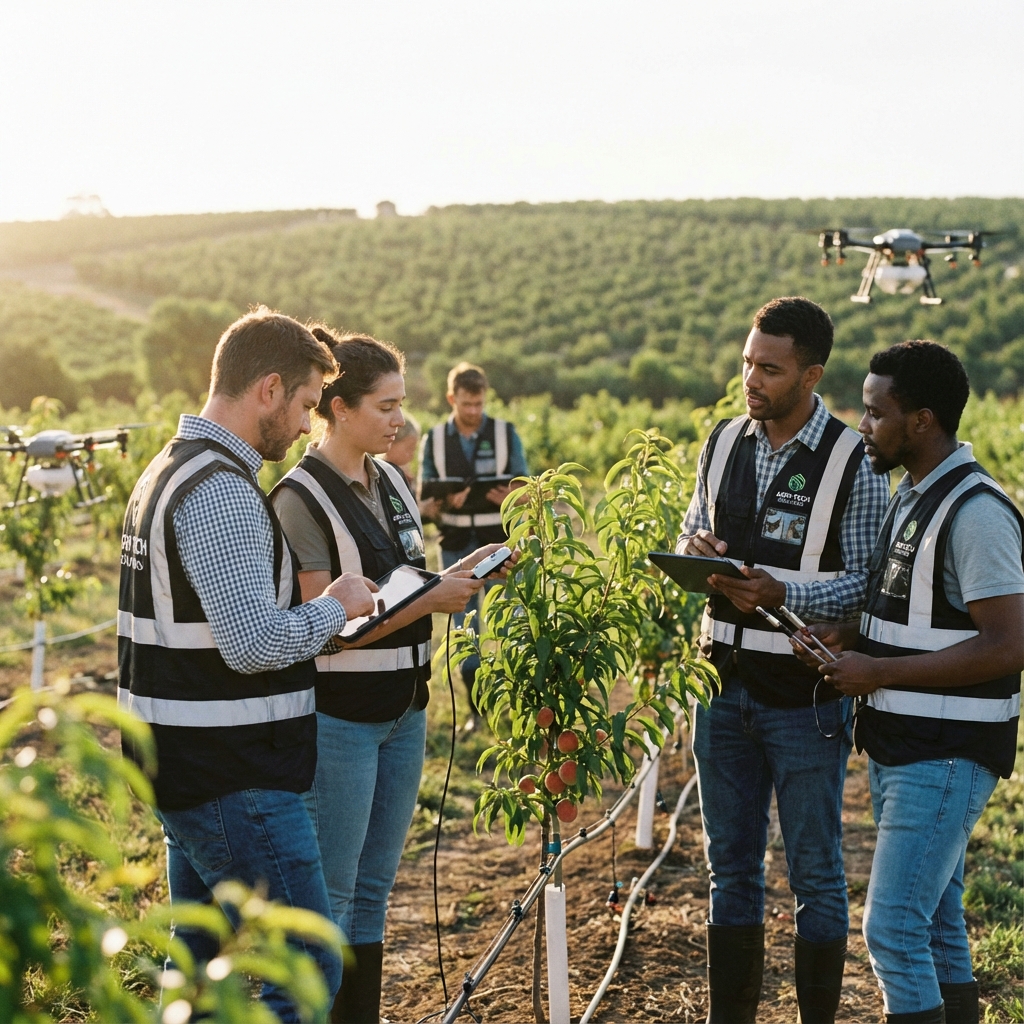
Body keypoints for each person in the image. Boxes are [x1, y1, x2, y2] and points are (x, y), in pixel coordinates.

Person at [117, 308, 379, 1022]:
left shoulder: (166, 472)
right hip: (232, 774)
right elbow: (252, 644)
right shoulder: (222, 491)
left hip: (186, 760)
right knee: (308, 962)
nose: (305, 426)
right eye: (302, 405)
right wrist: (339, 606)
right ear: (267, 389)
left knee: (204, 967)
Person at [270, 330, 516, 1024]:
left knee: (376, 887)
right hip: (342, 717)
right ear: (338, 407)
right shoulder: (299, 500)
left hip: (406, 710)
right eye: (385, 407)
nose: (399, 421)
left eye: (402, 405)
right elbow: (328, 625)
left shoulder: (394, 485)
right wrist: (430, 599)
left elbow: (408, 578)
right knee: (337, 892)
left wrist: (465, 572)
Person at [794, 342, 1024, 1024]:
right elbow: (921, 618)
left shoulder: (977, 513)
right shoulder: (913, 497)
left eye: (874, 412)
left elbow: (1011, 644)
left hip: (947, 750)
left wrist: (877, 672)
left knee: (891, 929)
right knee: (937, 925)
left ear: (921, 421)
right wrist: (849, 643)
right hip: (907, 742)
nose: (861, 424)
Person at [676, 296, 891, 1024]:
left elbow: (868, 574)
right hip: (721, 686)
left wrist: (781, 587)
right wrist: (697, 556)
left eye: (770, 369)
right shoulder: (722, 441)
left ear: (812, 374)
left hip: (803, 697)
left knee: (817, 875)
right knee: (728, 872)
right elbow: (693, 529)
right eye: (747, 364)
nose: (752, 379)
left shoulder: (852, 458)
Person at [418, 362, 528, 728]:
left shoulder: (504, 433)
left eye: (479, 404)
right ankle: (477, 713)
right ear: (452, 398)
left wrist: (508, 496)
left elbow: (527, 488)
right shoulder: (433, 439)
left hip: (500, 546)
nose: (473, 412)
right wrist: (442, 503)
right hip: (454, 548)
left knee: (512, 624)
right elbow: (426, 498)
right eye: (466, 404)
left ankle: (516, 707)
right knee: (467, 632)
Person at [382, 412, 440, 521]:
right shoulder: (383, 475)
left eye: (414, 449)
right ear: (391, 441)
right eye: (408, 448)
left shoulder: (403, 472)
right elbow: (394, 514)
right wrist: (421, 509)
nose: (412, 454)